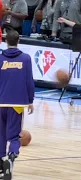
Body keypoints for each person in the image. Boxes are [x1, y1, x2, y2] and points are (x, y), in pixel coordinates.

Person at [0, 30, 35, 180]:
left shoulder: (0, 58)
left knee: (0, 135)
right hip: (17, 104)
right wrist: (30, 100)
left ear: (5, 41)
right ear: (18, 41)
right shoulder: (26, 59)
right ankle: (10, 158)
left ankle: (2, 165)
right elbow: (29, 82)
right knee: (14, 136)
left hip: (0, 102)